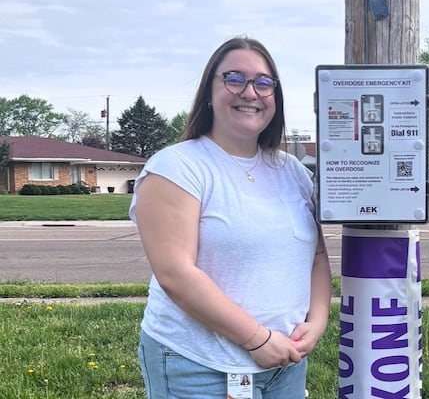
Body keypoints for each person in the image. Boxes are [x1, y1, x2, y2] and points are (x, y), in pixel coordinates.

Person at [130, 36, 332, 399]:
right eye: (234, 78)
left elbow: (316, 256)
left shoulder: (293, 171)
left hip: (284, 362)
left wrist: (316, 322)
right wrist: (257, 339)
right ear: (209, 92)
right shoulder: (177, 167)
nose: (250, 92)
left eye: (263, 82)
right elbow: (176, 273)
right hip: (198, 364)